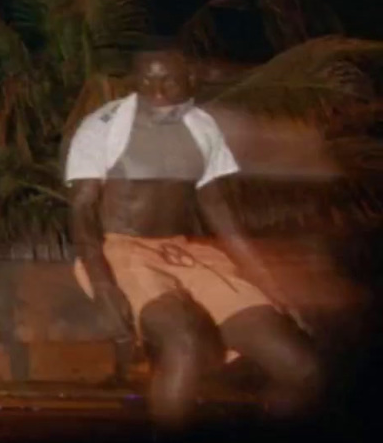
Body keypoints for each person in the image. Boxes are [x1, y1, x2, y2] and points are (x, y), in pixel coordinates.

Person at [65, 40, 321, 433]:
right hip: (124, 252)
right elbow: (81, 210)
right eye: (146, 81)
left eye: (167, 80)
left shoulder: (202, 127)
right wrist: (103, 286)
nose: (157, 91)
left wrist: (272, 287)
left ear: (191, 79)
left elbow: (220, 213)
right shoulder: (102, 128)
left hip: (186, 253)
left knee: (300, 366)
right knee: (181, 343)